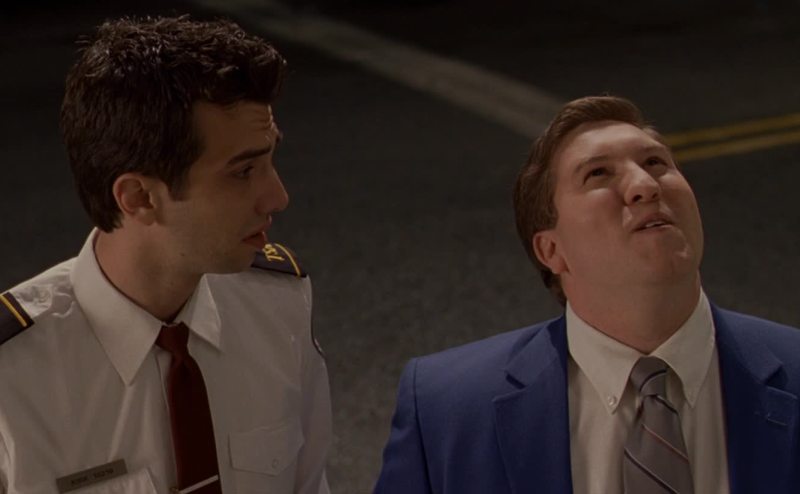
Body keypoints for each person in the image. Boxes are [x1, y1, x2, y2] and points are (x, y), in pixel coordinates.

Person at [374, 96, 800, 493]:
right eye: (598, 173)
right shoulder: (448, 411)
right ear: (551, 250)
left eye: (655, 162)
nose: (645, 185)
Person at [0, 16, 331, 494]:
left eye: (269, 160)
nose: (277, 197)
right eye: (243, 172)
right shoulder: (11, 379)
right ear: (138, 197)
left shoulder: (278, 305)